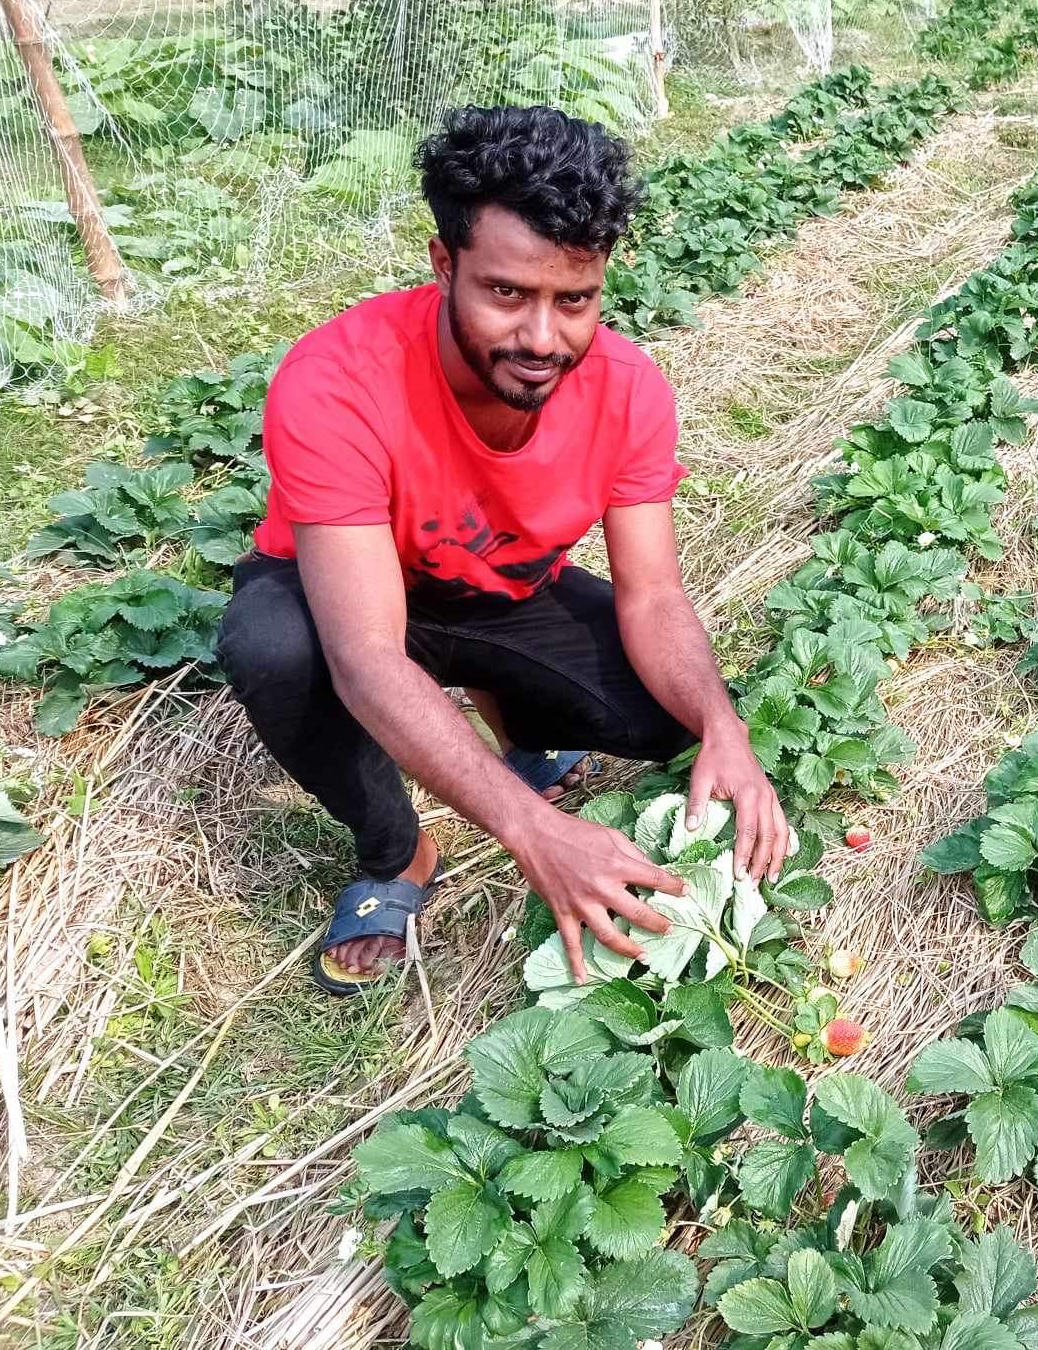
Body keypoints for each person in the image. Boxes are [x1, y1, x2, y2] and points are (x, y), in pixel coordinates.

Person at [217, 104, 791, 997]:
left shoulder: (629, 389)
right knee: (273, 650)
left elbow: (653, 596)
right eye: (506, 294)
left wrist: (726, 728)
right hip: (342, 596)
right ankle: (397, 852)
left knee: (665, 718)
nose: (541, 339)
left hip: (498, 592)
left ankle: (505, 718)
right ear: (444, 264)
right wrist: (533, 833)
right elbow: (367, 655)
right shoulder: (337, 381)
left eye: (575, 301)